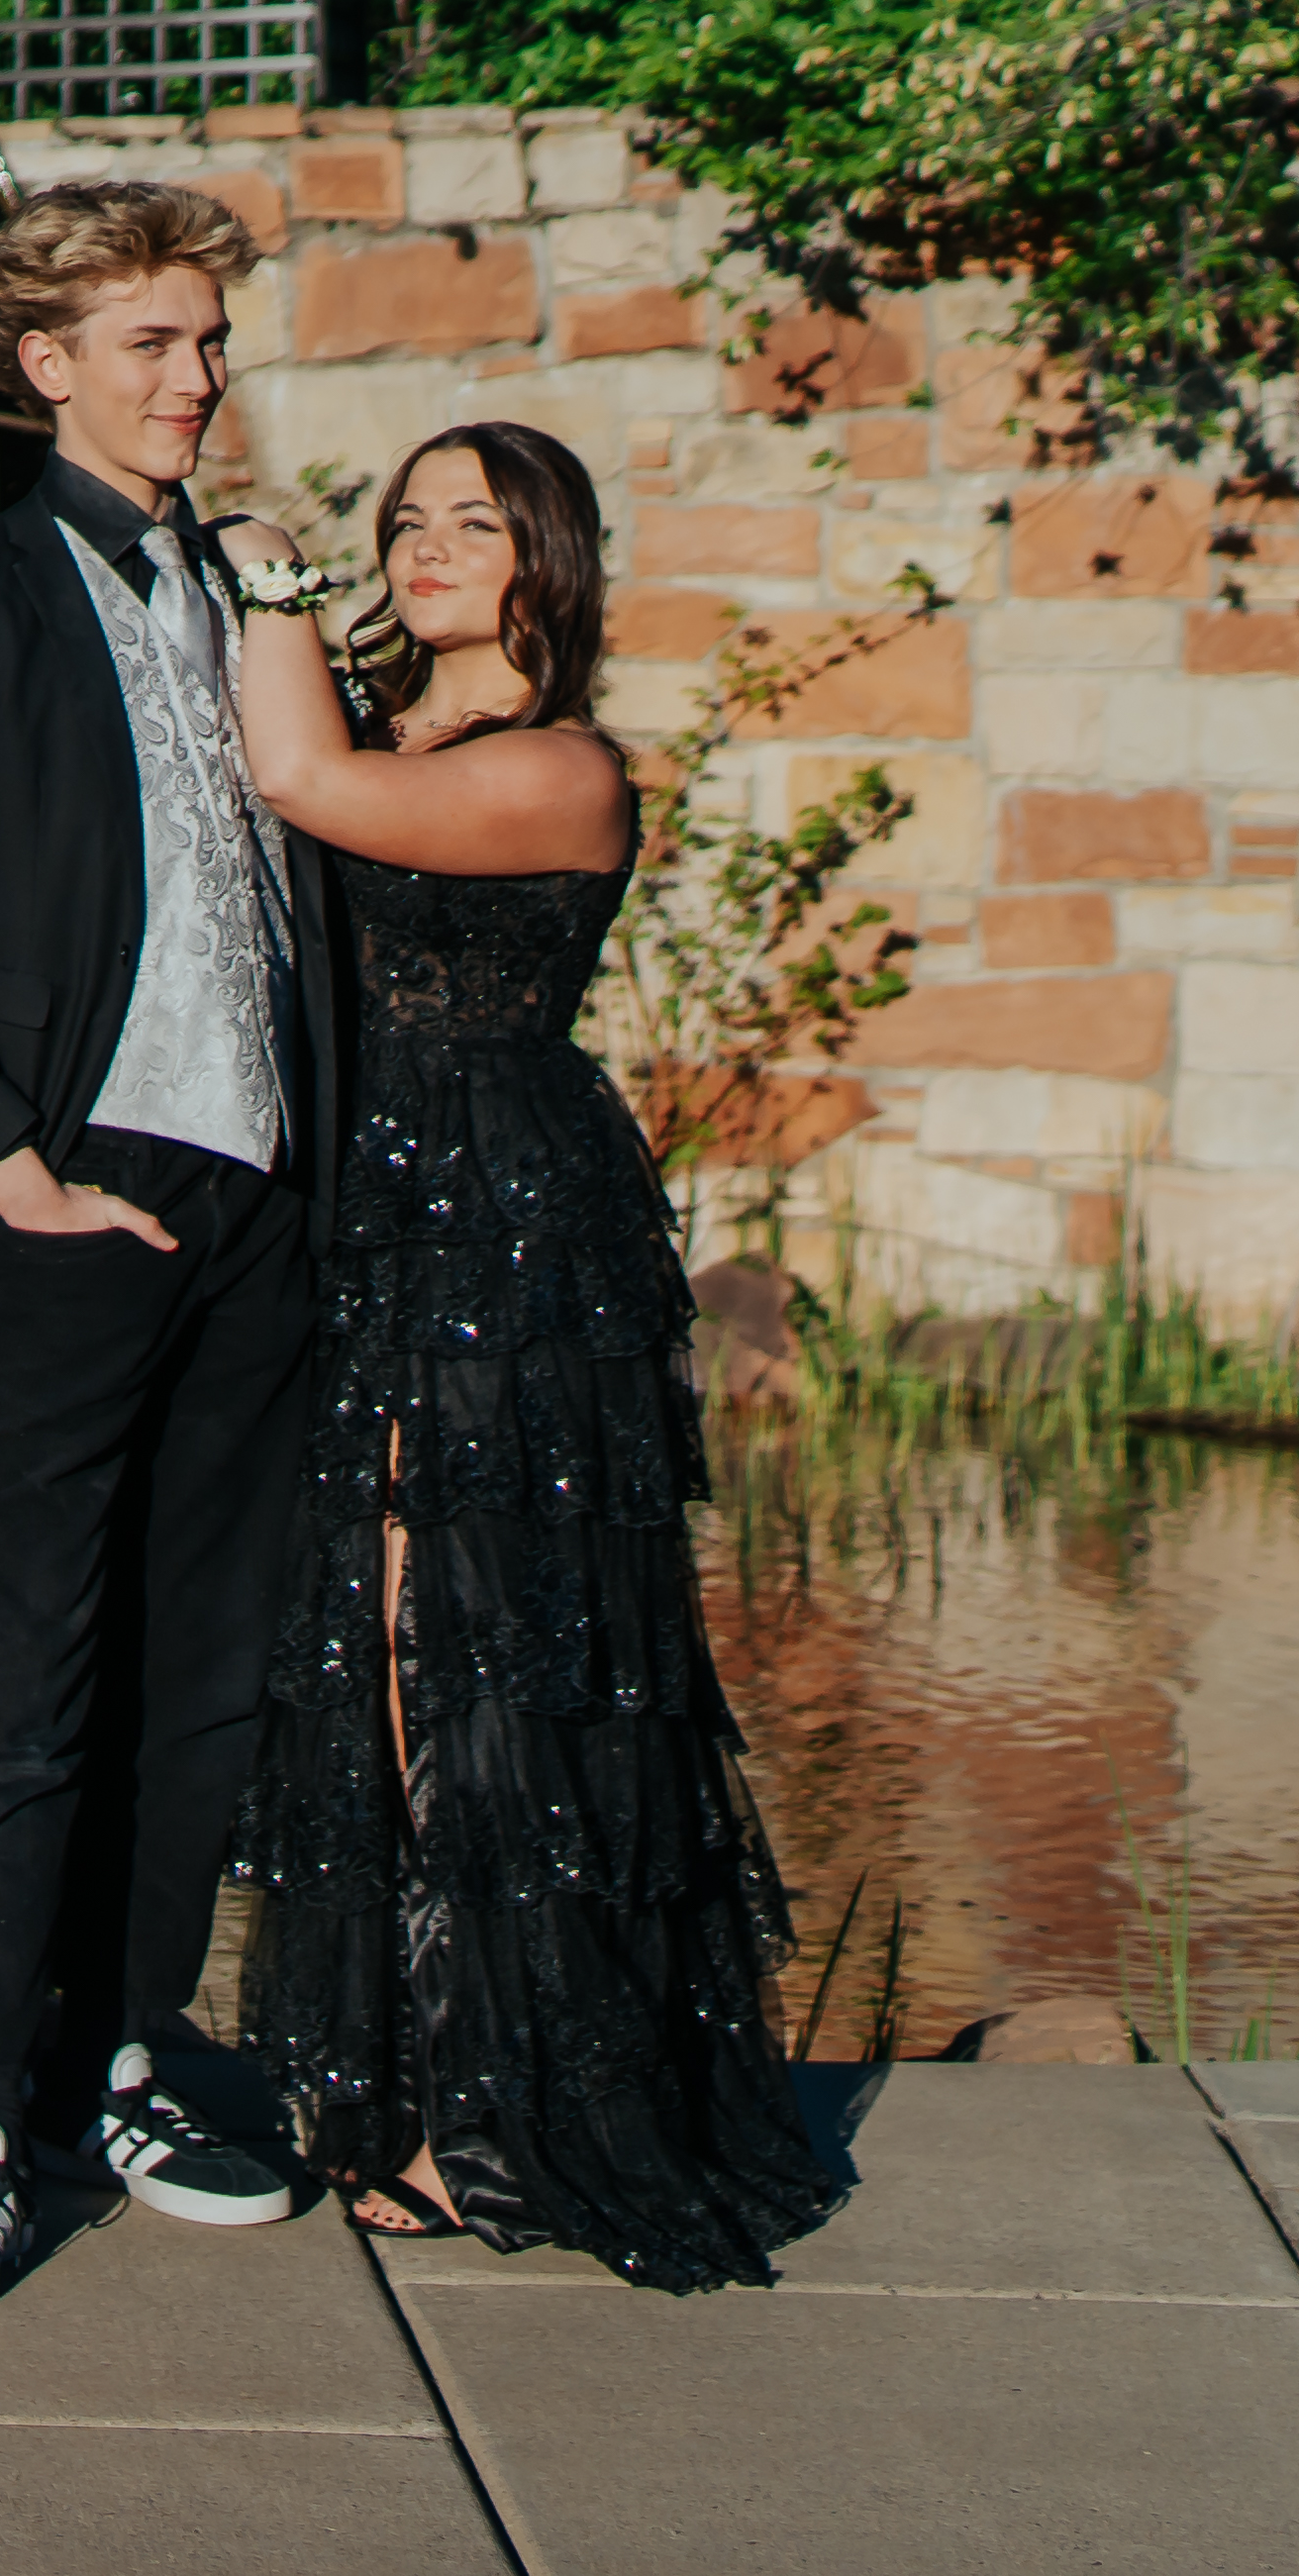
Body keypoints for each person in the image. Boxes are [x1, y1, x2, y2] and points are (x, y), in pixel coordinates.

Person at [218, 423, 845, 2287]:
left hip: (503, 1227)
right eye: (400, 519)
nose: (420, 548)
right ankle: (395, 2078)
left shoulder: (561, 769)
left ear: (542, 560)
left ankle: (494, 2101)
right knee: (356, 1639)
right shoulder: (381, 723)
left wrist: (259, 576)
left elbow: (289, 775)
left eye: (466, 524)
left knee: (473, 1642)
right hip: (355, 1215)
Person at [0, 177, 333, 2316]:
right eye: (153, 344)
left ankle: (123, 2052)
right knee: (21, 1679)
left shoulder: (245, 589)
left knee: (200, 1673)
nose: (197, 379)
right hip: (61, 1188)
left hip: (255, 1197)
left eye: (207, 343)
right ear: (47, 365)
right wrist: (8, 1163)